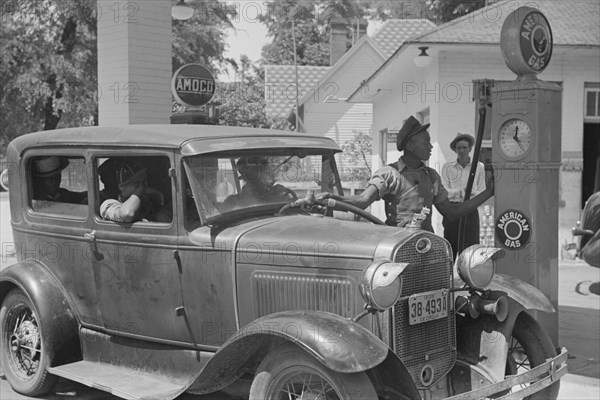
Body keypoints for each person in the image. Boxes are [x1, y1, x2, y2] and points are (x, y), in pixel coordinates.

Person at [317, 116, 494, 236]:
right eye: (425, 141)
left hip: (426, 246)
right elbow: (362, 201)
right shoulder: (389, 174)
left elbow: (451, 212)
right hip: (396, 247)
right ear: (410, 145)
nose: (430, 146)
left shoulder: (432, 176)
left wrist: (488, 192)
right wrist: (331, 198)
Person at [441, 133, 487, 259]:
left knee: (470, 249)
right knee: (451, 247)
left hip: (470, 210)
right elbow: (445, 192)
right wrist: (463, 191)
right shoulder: (447, 167)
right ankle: (449, 276)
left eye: (464, 147)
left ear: (470, 149)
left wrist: (469, 193)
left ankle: (468, 276)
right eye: (459, 148)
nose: (461, 150)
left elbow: (481, 191)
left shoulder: (479, 167)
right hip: (453, 210)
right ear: (455, 150)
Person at [99, 160, 170, 223]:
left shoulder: (148, 201)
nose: (141, 187)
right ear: (122, 186)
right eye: (136, 183)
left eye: (144, 182)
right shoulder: (109, 204)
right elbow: (127, 213)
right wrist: (138, 192)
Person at [221, 156, 295, 211]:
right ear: (252, 173)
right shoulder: (232, 202)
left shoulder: (278, 194)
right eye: (265, 170)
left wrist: (282, 196)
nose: (270, 173)